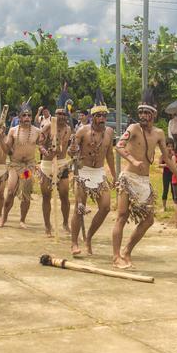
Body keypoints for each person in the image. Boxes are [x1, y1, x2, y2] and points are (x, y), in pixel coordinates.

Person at [111, 103, 177, 269]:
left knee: (149, 219)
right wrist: (133, 160)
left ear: (153, 115)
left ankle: (127, 251)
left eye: (146, 113)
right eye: (141, 112)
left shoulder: (159, 133)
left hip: (143, 181)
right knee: (122, 216)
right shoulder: (133, 128)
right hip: (128, 177)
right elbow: (119, 146)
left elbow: (166, 158)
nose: (143, 115)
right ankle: (116, 256)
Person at [69, 105, 116, 256]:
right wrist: (73, 149)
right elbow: (71, 150)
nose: (102, 119)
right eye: (99, 116)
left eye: (104, 116)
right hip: (83, 172)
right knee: (79, 208)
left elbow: (109, 155)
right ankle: (74, 243)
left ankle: (88, 237)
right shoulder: (83, 131)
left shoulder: (109, 132)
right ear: (92, 117)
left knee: (106, 207)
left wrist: (114, 175)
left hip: (99, 173)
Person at [0, 106, 42, 229]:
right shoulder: (13, 131)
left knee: (25, 192)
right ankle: (4, 217)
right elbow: (7, 150)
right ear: (19, 117)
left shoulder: (37, 131)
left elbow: (42, 146)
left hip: (28, 167)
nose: (27, 118)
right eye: (24, 115)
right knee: (10, 190)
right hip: (14, 165)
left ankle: (22, 220)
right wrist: (0, 138)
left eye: (29, 115)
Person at [37, 108, 73, 237]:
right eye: (59, 114)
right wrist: (46, 152)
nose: (61, 116)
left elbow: (69, 147)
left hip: (62, 164)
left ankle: (65, 223)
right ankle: (47, 225)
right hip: (47, 165)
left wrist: (72, 150)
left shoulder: (69, 129)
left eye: (64, 114)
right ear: (55, 115)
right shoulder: (48, 126)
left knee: (64, 194)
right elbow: (40, 144)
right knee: (46, 196)